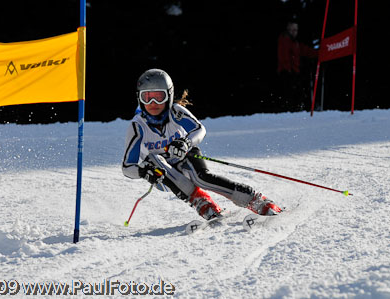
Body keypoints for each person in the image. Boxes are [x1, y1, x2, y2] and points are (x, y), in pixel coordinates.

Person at [122, 69, 282, 220]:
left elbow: (199, 129)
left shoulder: (175, 112)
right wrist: (143, 172)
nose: (153, 103)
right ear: (140, 99)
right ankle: (202, 203)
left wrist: (185, 143)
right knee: (155, 160)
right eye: (147, 97)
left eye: (159, 97)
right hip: (163, 175)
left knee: (201, 179)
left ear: (169, 96)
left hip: (186, 156)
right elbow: (127, 166)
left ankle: (255, 199)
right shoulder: (138, 126)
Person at [277, 20, 318, 111]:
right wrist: (288, 70)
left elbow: (305, 51)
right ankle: (290, 110)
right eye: (292, 30)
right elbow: (283, 56)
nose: (294, 32)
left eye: (296, 30)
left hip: (294, 72)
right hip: (287, 72)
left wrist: (318, 53)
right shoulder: (284, 39)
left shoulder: (295, 42)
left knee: (297, 93)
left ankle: (296, 109)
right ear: (288, 29)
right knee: (290, 94)